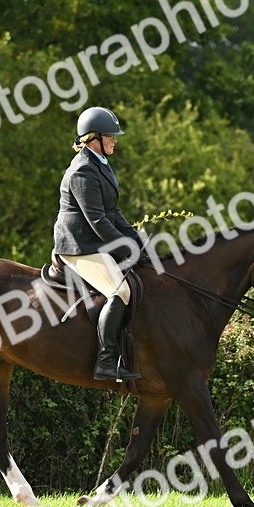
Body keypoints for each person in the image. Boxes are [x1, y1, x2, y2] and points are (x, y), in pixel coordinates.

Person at [53, 106, 149, 382]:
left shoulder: (99, 165)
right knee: (120, 291)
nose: (115, 140)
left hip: (93, 241)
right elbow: (97, 220)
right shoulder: (83, 171)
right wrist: (125, 247)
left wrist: (135, 238)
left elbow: (113, 212)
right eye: (111, 136)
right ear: (93, 139)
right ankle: (105, 362)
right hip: (78, 245)